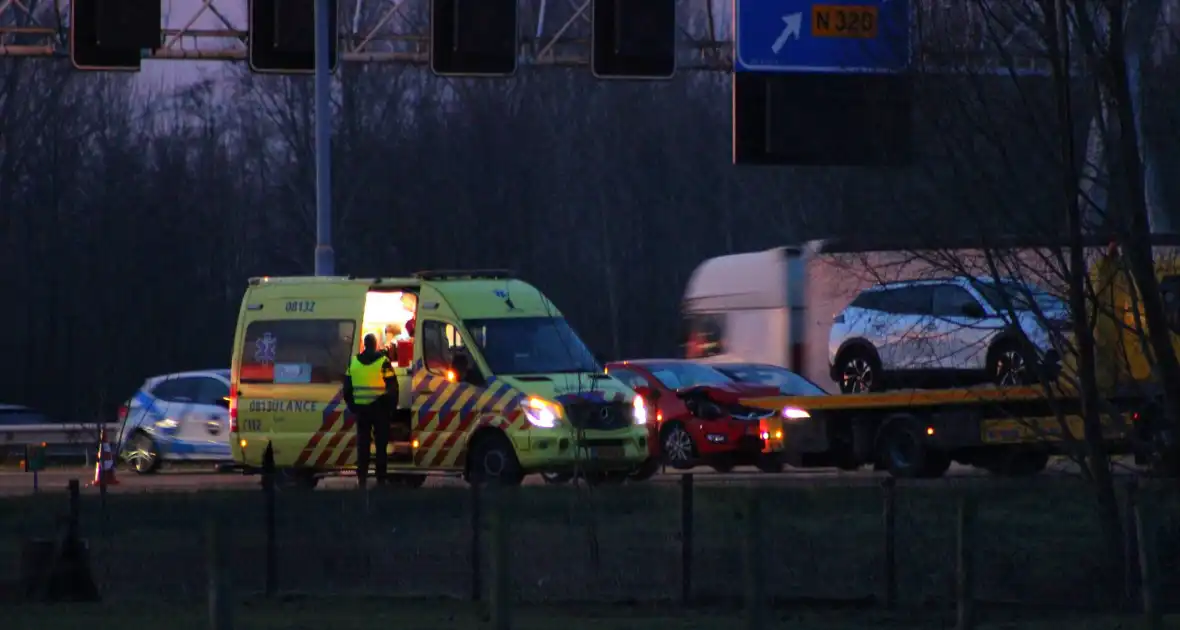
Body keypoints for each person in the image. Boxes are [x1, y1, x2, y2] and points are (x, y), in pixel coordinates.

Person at [344, 333, 397, 488]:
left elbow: (347, 389)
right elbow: (393, 387)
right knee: (381, 446)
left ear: (364, 345)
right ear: (375, 345)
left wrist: (353, 406)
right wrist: (391, 408)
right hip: (379, 410)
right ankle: (381, 478)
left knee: (363, 446)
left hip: (361, 411)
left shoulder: (354, 363)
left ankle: (362, 479)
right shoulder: (383, 362)